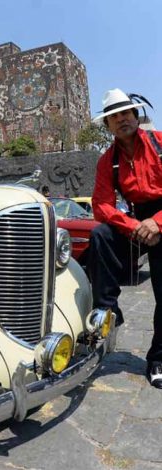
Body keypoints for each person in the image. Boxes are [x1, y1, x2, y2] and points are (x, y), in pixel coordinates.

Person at [88, 88, 162, 389]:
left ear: (136, 114)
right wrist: (133, 225)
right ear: (108, 126)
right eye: (114, 117)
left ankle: (158, 358)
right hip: (134, 221)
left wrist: (157, 223)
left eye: (125, 113)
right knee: (100, 236)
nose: (121, 120)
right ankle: (109, 311)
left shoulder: (159, 142)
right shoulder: (109, 160)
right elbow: (101, 205)